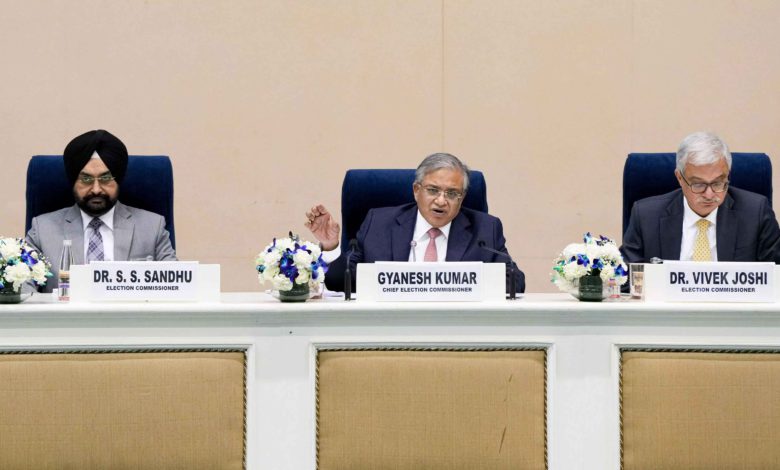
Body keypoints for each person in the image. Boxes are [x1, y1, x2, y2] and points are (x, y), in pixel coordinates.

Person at [305, 153, 525, 293]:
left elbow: (516, 283)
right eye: (433, 190)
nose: (441, 201)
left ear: (462, 198)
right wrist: (331, 248)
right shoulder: (379, 224)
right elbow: (339, 282)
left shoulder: (485, 229)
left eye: (452, 193)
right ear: (416, 190)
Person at [26, 129, 177, 292]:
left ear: (118, 180)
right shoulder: (42, 230)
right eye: (86, 179)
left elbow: (176, 285)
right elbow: (23, 287)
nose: (96, 189)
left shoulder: (152, 227)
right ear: (73, 181)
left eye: (105, 178)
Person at [621, 131, 780, 264]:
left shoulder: (756, 213)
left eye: (718, 183)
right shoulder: (646, 216)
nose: (709, 194)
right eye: (698, 184)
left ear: (728, 175)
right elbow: (624, 279)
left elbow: (776, 276)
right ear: (679, 178)